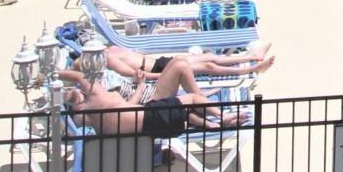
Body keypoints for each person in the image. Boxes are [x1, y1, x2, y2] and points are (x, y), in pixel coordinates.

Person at [54, 65, 245, 138]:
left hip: (150, 131)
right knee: (193, 98)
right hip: (152, 116)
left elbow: (128, 108)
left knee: (183, 111)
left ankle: (212, 125)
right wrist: (54, 73)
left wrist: (139, 87)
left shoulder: (85, 117)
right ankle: (224, 116)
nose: (77, 88)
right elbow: (79, 76)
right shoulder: (98, 97)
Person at [102, 42, 275, 86]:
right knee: (209, 67)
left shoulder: (111, 48)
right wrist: (165, 76)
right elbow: (139, 75)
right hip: (159, 69)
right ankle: (254, 68)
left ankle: (253, 57)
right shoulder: (110, 59)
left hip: (161, 61)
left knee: (209, 57)